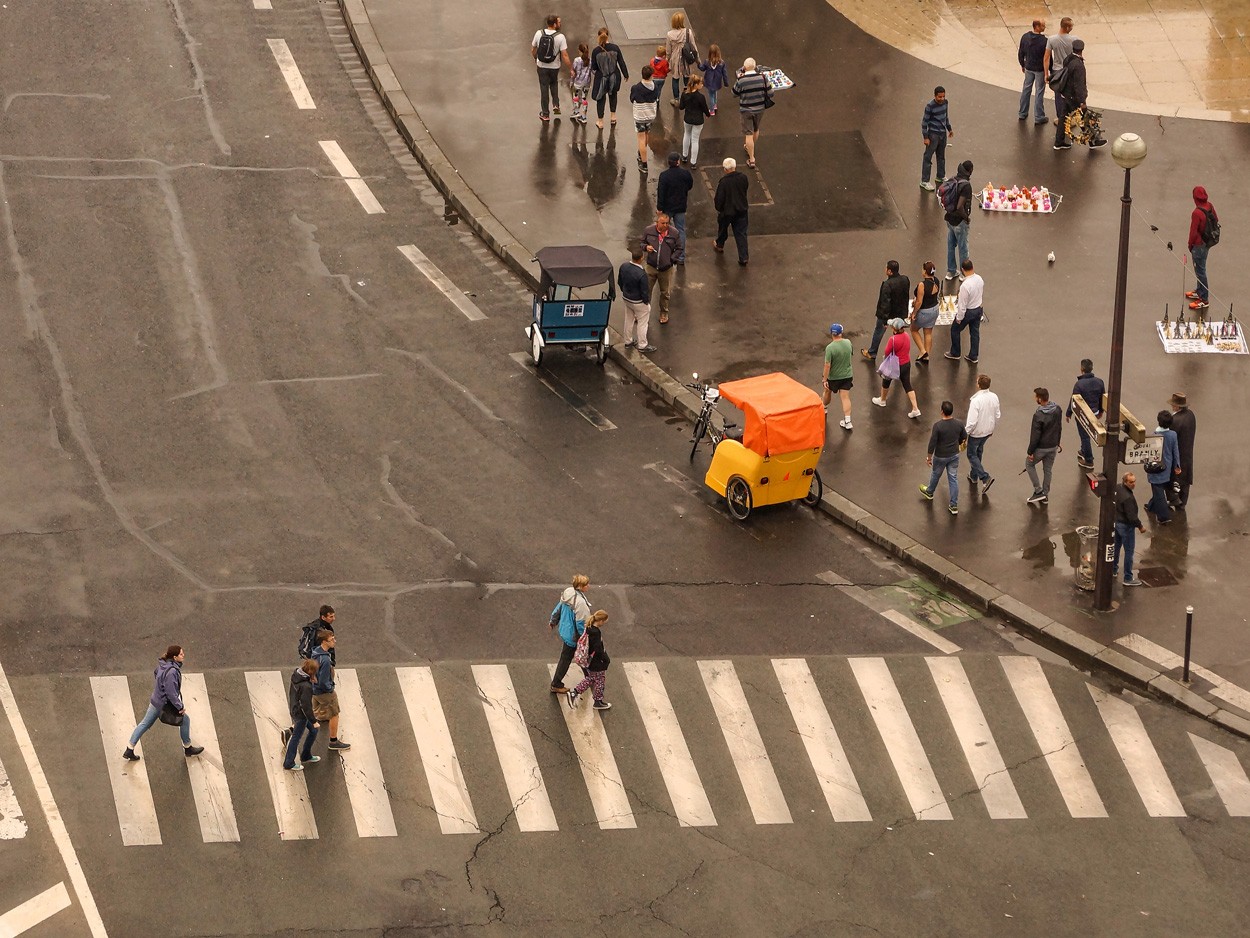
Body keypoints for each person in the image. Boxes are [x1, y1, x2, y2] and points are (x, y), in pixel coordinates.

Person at [122, 645, 204, 760]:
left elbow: (156, 673)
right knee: (185, 720)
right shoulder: (172, 672)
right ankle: (188, 747)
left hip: (156, 700)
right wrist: (180, 706)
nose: (183, 655)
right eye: (181, 654)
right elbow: (171, 693)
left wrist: (160, 687)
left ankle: (129, 749)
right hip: (164, 703)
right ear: (175, 657)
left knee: (145, 724)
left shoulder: (164, 664)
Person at [920, 400, 967, 516]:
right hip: (954, 455)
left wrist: (929, 457)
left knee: (936, 474)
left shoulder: (938, 426)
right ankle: (953, 505)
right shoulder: (959, 424)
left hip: (940, 456)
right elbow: (964, 437)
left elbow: (932, 443)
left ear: (942, 411)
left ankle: (930, 492)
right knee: (953, 479)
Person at [550, 575, 592, 693]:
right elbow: (580, 624)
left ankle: (589, 677)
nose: (588, 586)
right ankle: (556, 684)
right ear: (581, 587)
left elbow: (558, 607)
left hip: (565, 629)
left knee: (574, 656)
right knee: (576, 656)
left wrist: (553, 621)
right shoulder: (580, 604)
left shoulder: (568, 593)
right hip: (573, 636)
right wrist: (584, 638)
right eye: (586, 585)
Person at [862, 260, 910, 360]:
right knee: (899, 333)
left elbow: (885, 303)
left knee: (879, 331)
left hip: (888, 314)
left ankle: (872, 352)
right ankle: (898, 352)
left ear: (889, 271)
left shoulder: (887, 284)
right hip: (901, 312)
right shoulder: (905, 279)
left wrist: (884, 318)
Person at [872, 319, 921, 418]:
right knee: (907, 385)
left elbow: (887, 352)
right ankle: (915, 408)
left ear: (894, 329)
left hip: (894, 364)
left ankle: (882, 400)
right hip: (906, 363)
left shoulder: (893, 339)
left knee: (886, 381)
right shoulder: (907, 336)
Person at [311, 631, 351, 750]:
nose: (334, 641)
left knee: (311, 716)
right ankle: (333, 741)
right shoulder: (325, 660)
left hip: (314, 690)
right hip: (324, 692)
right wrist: (330, 688)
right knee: (334, 714)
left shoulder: (315, 652)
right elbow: (324, 681)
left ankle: (291, 731)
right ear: (324, 642)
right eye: (332, 640)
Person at [566, 610, 612, 710]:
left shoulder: (589, 628)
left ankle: (576, 693)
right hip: (596, 661)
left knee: (591, 679)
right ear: (600, 620)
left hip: (590, 660)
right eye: (604, 622)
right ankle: (597, 701)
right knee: (599, 680)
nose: (604, 624)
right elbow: (598, 649)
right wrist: (606, 659)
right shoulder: (596, 632)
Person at [641, 211, 681, 322]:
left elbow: (679, 249)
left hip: (666, 269)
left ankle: (664, 313)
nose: (665, 226)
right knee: (646, 290)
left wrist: (671, 260)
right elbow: (642, 243)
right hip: (651, 266)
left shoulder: (674, 233)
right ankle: (643, 313)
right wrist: (645, 247)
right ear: (657, 222)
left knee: (665, 293)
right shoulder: (648, 231)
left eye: (667, 223)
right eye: (663, 223)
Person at [1025, 387, 1062, 505]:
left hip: (1041, 447)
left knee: (1029, 464)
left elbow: (1035, 436)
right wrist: (1058, 442)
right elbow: (1059, 427)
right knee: (1048, 470)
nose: (1034, 398)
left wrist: (1030, 452)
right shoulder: (1057, 409)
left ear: (1040, 399)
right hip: (1053, 446)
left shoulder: (1038, 415)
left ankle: (1038, 491)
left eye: (1035, 396)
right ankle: (1045, 495)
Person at [283, 660, 322, 771]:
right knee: (296, 737)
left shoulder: (297, 675)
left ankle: (306, 755)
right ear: (311, 672)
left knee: (313, 731)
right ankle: (289, 762)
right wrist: (313, 721)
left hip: (295, 708)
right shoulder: (306, 686)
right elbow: (306, 706)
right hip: (301, 714)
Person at [1044, 16, 1077, 147]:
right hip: (1068, 71)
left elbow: (1046, 58)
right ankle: (1068, 118)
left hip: (1057, 71)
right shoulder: (1074, 39)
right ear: (1067, 27)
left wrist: (1046, 74)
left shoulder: (1052, 39)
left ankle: (1060, 117)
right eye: (1071, 26)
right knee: (1070, 94)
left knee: (1058, 95)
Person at [1065, 359, 1105, 469]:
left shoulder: (1079, 384)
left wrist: (1069, 413)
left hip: (1083, 414)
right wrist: (1101, 411)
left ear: (1081, 369)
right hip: (1095, 412)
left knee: (1085, 436)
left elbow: (1074, 400)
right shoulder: (1100, 381)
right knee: (1087, 435)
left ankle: (1089, 460)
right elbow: (1103, 398)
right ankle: (1083, 450)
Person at [532, 15, 572, 122]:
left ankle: (545, 114)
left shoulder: (539, 33)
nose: (560, 24)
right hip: (554, 67)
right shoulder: (560, 37)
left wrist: (536, 58)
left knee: (544, 88)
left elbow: (533, 49)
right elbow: (564, 55)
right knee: (554, 83)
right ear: (554, 24)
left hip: (541, 66)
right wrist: (571, 68)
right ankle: (556, 105)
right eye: (559, 22)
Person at [732, 58, 771, 168]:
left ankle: (752, 158)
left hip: (746, 110)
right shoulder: (763, 78)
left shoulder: (741, 80)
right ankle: (750, 147)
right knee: (756, 129)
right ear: (755, 67)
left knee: (748, 133)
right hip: (760, 108)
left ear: (744, 68)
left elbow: (734, 93)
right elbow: (771, 93)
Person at [965, 374, 1001, 493]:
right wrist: (992, 428)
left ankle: (985, 477)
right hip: (987, 431)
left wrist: (965, 433)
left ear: (979, 385)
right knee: (979, 452)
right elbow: (997, 415)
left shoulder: (976, 401)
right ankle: (973, 476)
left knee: (971, 454)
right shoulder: (994, 397)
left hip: (976, 432)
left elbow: (972, 421)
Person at [1145, 410, 1181, 525]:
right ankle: (1150, 506)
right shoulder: (1173, 435)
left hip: (1156, 468)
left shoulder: (1154, 436)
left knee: (1158, 492)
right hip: (1168, 467)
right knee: (1158, 489)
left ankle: (1163, 517)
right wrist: (1177, 466)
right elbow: (1176, 452)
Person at [712, 157, 750, 266]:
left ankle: (720, 244)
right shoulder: (743, 178)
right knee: (741, 233)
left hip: (727, 212)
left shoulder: (723, 182)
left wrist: (719, 209)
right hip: (741, 209)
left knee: (723, 229)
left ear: (725, 169)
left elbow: (719, 199)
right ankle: (744, 257)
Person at [657, 153, 693, 264]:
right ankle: (681, 257)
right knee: (680, 230)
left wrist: (660, 208)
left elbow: (661, 193)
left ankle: (664, 255)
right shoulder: (685, 174)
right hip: (681, 206)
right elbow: (690, 185)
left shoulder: (664, 175)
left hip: (668, 207)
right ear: (678, 162)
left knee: (663, 229)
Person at [945, 258, 983, 362]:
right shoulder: (979, 279)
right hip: (978, 309)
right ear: (972, 267)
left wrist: (959, 318)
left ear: (962, 269)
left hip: (968, 312)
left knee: (955, 330)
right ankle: (973, 355)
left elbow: (962, 304)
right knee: (975, 333)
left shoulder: (965, 286)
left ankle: (955, 352)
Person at [617, 247, 655, 352]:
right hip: (638, 301)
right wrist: (646, 302)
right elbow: (644, 291)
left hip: (626, 298)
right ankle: (642, 345)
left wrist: (624, 291)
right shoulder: (642, 274)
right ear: (641, 258)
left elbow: (620, 282)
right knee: (643, 322)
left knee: (629, 319)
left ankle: (628, 341)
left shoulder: (624, 266)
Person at [1187, 187, 1218, 311]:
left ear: (1194, 198)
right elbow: (1216, 219)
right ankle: (1199, 291)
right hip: (1207, 242)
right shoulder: (1210, 206)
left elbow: (1193, 232)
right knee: (1201, 267)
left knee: (1200, 270)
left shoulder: (1196, 213)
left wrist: (1190, 244)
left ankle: (1204, 299)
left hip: (1198, 245)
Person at [590, 28, 628, 130]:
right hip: (614, 76)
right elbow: (621, 62)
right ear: (608, 36)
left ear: (598, 36)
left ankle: (600, 121)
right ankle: (613, 116)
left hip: (601, 78)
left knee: (601, 99)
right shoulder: (615, 48)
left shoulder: (596, 51)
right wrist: (625, 74)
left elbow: (593, 67)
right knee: (613, 95)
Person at [1114, 472, 1146, 587]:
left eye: (1134, 481)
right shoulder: (1128, 498)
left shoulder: (1118, 488)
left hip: (1117, 523)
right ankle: (1128, 577)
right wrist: (1140, 526)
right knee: (1129, 552)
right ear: (1125, 482)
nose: (1134, 484)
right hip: (1126, 526)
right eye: (1131, 482)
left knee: (1116, 547)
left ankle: (1113, 569)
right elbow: (1132, 517)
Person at [943, 161, 974, 279]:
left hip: (949, 218)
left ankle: (951, 271)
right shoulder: (966, 186)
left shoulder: (953, 179)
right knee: (963, 247)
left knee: (951, 245)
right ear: (970, 170)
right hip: (959, 221)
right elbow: (960, 206)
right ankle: (963, 273)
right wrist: (967, 218)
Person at [920, 86, 953, 191]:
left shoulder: (945, 103)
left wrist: (949, 129)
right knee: (928, 158)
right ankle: (924, 181)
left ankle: (940, 176)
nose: (942, 99)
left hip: (942, 134)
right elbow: (924, 122)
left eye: (943, 96)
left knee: (941, 156)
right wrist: (926, 137)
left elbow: (945, 117)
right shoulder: (930, 106)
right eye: (940, 97)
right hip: (933, 135)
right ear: (935, 96)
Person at [629, 65, 662, 171]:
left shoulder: (636, 88)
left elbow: (632, 98)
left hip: (640, 116)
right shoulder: (655, 87)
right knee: (647, 134)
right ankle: (642, 152)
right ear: (651, 75)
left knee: (641, 138)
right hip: (650, 115)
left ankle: (644, 164)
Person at [822, 323, 854, 431]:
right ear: (841, 333)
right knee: (845, 398)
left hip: (834, 377)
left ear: (832, 334)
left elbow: (827, 365)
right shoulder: (848, 342)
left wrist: (824, 379)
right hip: (847, 375)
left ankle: (824, 408)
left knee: (827, 392)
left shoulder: (830, 348)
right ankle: (848, 420)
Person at [1168, 391, 1196, 509]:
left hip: (1177, 453)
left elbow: (1170, 439)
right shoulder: (1191, 415)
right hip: (1188, 451)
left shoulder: (1175, 420)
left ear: (1177, 406)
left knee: (1175, 479)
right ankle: (1183, 502)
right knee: (1186, 478)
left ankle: (1175, 500)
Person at [1018, 19, 1048, 124]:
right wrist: (1048, 70)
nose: (1045, 27)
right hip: (1039, 69)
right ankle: (1039, 116)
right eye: (1043, 25)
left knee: (1026, 89)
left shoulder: (1025, 37)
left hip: (1028, 67)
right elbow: (1047, 57)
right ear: (1037, 26)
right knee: (1039, 91)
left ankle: (1022, 113)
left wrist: (1022, 64)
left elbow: (1021, 51)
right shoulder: (1044, 41)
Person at [910, 261, 940, 363]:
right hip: (935, 309)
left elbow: (919, 302)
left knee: (914, 330)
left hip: (924, 312)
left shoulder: (922, 285)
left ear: (925, 271)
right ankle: (926, 356)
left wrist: (914, 313)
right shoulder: (936, 281)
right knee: (928, 333)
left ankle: (923, 351)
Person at [678, 75, 711, 168]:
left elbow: (681, 107)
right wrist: (708, 115)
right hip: (698, 120)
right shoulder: (701, 97)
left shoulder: (684, 94)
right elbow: (705, 108)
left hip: (687, 119)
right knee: (695, 140)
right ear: (696, 85)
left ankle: (684, 156)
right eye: (701, 83)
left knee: (686, 135)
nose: (702, 85)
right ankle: (693, 162)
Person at [665, 12, 698, 103]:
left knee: (675, 79)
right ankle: (687, 96)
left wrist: (667, 60)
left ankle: (676, 100)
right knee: (687, 77)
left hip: (675, 59)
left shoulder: (669, 34)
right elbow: (694, 47)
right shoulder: (688, 32)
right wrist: (698, 60)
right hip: (686, 58)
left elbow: (668, 50)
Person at [698, 44, 728, 115]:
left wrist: (698, 64)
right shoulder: (722, 63)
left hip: (709, 82)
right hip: (717, 82)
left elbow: (702, 68)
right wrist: (726, 83)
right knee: (715, 93)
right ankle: (714, 105)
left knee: (711, 95)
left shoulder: (707, 62)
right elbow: (725, 74)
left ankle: (711, 111)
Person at [570, 43, 592, 125]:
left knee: (575, 96)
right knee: (584, 99)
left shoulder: (577, 60)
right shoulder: (590, 60)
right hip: (586, 82)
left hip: (577, 82)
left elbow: (573, 72)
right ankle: (584, 117)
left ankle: (576, 111)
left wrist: (571, 81)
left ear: (579, 51)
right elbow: (592, 71)